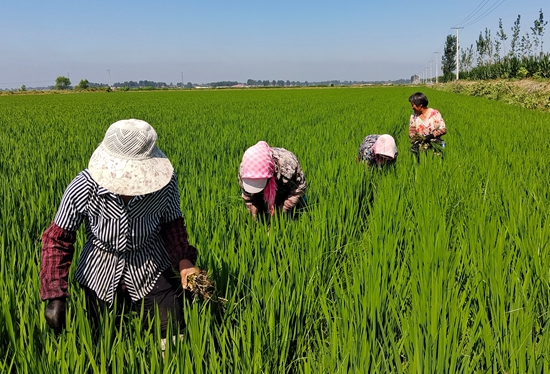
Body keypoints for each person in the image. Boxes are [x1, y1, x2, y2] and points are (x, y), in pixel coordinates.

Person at [39, 119, 199, 342]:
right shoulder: (84, 186)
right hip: (99, 270)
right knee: (104, 339)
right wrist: (55, 296)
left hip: (149, 264)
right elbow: (58, 239)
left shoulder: (165, 184)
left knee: (173, 331)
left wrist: (184, 262)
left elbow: (172, 225)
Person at [238, 141, 306, 218]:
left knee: (299, 202)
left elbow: (298, 189)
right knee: (260, 207)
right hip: (272, 181)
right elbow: (249, 198)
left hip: (285, 185)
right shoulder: (244, 171)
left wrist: (280, 212)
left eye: (259, 182)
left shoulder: (288, 167)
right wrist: (255, 217)